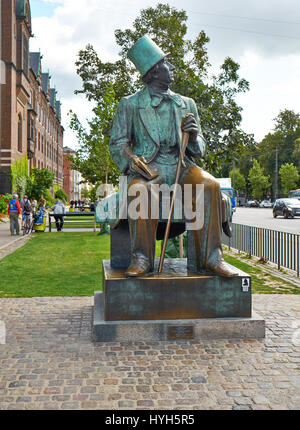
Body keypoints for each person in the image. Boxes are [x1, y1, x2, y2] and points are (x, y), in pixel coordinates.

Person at [109, 35, 237, 278]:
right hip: (149, 169)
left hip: (182, 167)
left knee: (209, 185)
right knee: (141, 192)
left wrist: (194, 135)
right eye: (167, 64)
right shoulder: (130, 104)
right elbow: (118, 143)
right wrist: (130, 158)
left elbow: (198, 150)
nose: (172, 69)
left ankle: (211, 258)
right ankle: (142, 258)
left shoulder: (186, 104)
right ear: (154, 71)